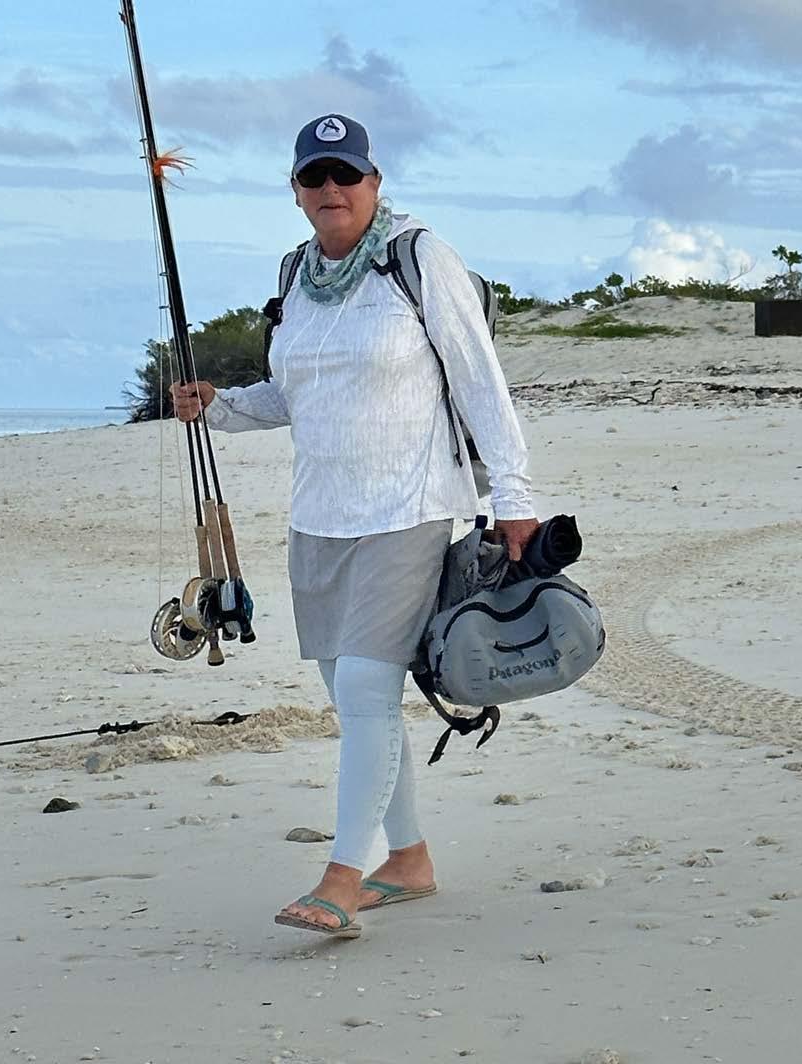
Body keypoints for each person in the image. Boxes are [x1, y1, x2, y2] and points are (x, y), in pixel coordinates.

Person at [171, 113, 538, 939]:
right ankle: (407, 859)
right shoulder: (296, 273)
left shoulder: (418, 257)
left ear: (374, 182)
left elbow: (480, 382)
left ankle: (341, 877)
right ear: (296, 191)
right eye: (315, 176)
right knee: (355, 698)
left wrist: (515, 496)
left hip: (408, 510)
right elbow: (293, 396)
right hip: (319, 519)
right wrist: (220, 406)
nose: (331, 189)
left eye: (346, 174)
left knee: (371, 689)